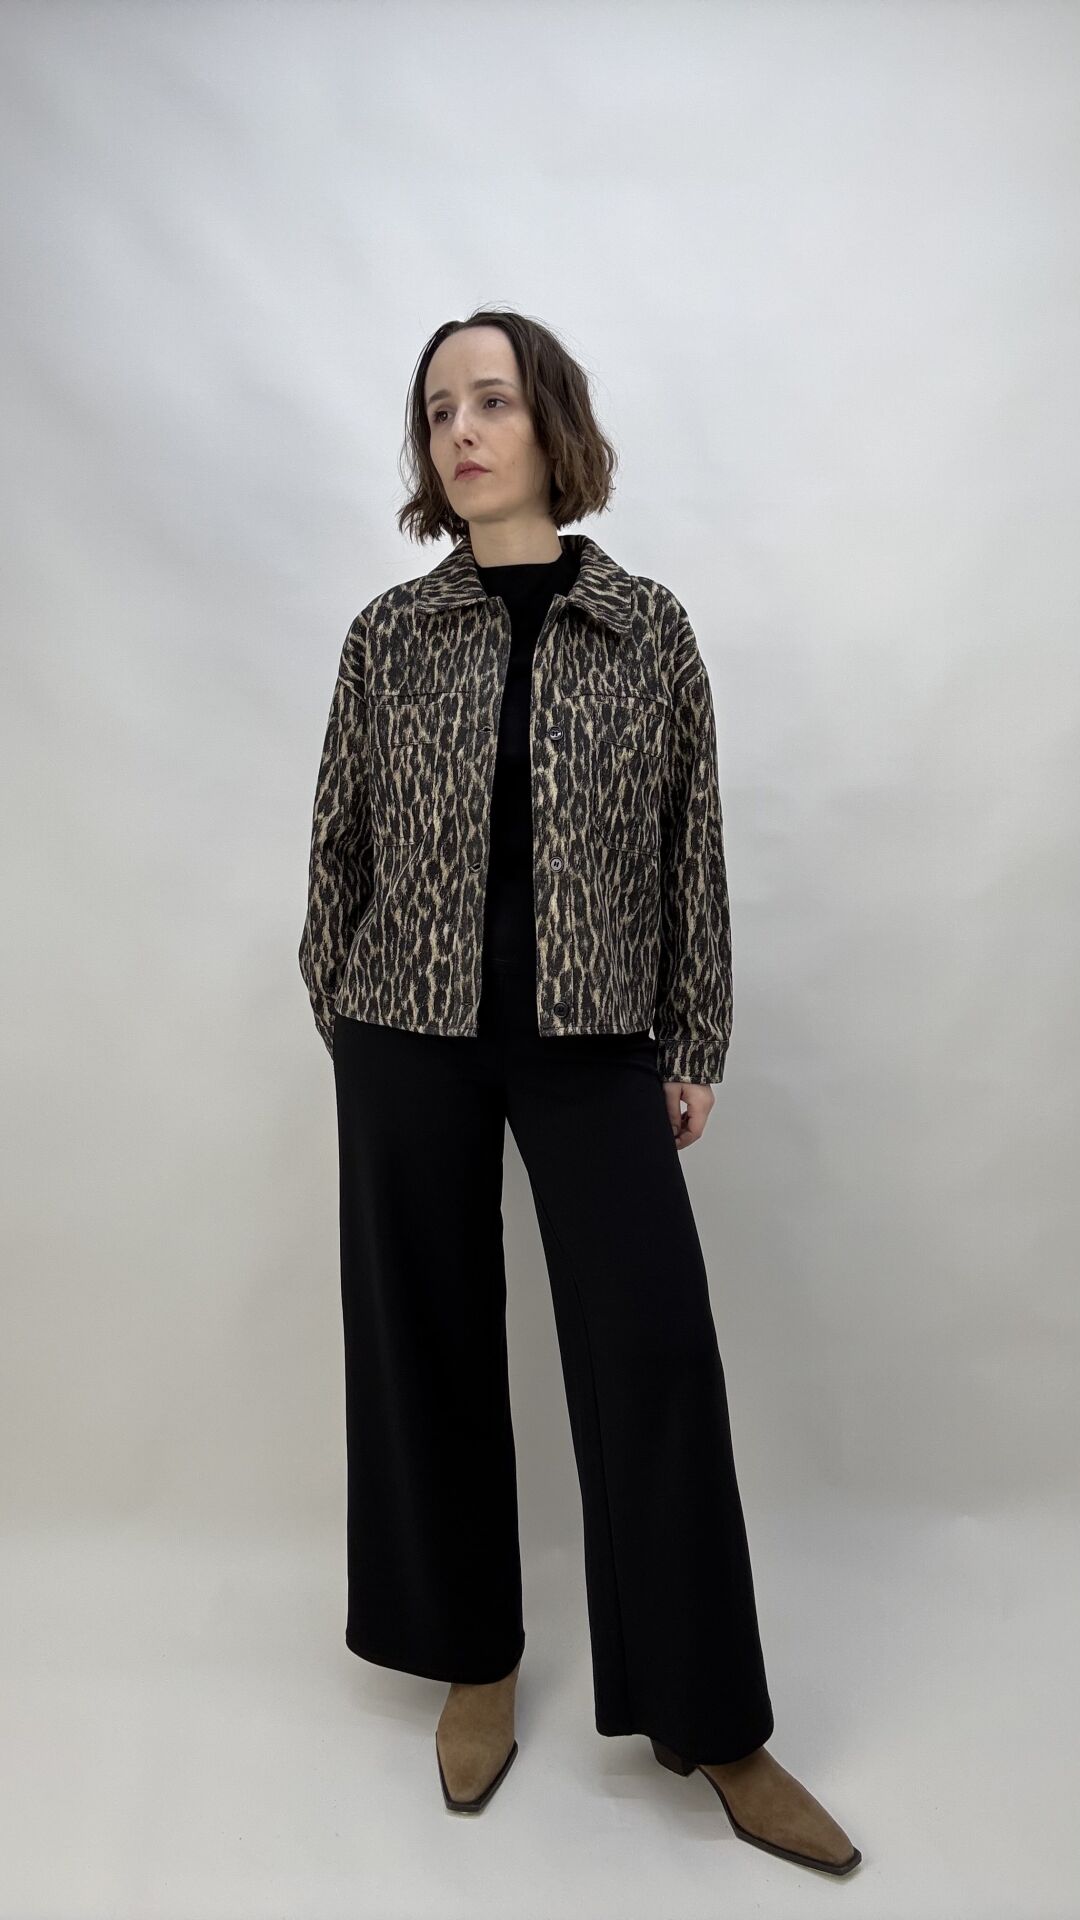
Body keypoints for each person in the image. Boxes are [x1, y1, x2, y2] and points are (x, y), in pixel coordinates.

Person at [298, 307, 862, 1876]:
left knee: (653, 1355)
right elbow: (336, 835)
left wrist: (694, 1036)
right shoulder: (388, 636)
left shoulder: (646, 627)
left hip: (593, 1031)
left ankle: (717, 1723)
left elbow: (695, 844)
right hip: (405, 1030)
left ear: (551, 423)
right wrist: (342, 999)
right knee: (426, 1341)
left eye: (491, 401)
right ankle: (472, 1654)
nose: (462, 432)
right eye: (438, 412)